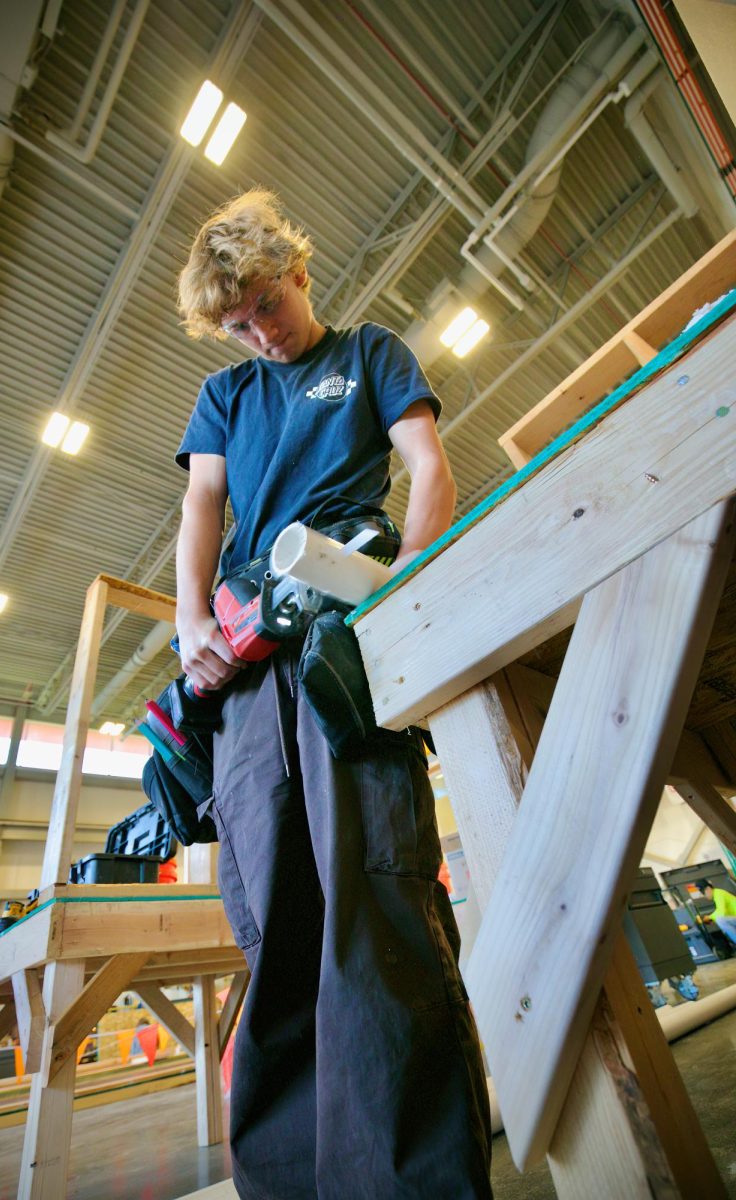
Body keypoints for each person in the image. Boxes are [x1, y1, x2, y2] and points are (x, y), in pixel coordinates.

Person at [174, 188, 492, 1200]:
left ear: (298, 273)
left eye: (265, 306)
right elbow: (200, 507)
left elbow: (427, 468)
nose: (257, 333)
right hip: (244, 658)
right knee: (272, 919)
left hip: (343, 643)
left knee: (374, 892)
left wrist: (408, 586)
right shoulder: (226, 392)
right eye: (234, 323)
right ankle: (288, 1183)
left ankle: (412, 1180)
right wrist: (189, 624)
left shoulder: (366, 354)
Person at [697, 878, 736, 947]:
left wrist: (709, 917)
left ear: (708, 889)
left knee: (721, 920)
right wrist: (710, 919)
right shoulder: (717, 895)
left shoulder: (718, 894)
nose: (704, 896)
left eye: (703, 893)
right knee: (722, 922)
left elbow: (721, 912)